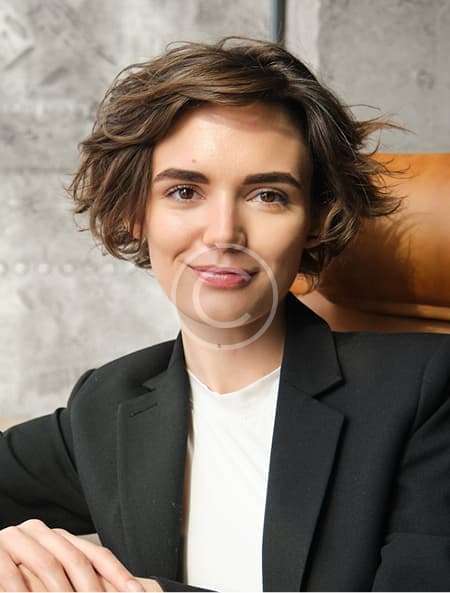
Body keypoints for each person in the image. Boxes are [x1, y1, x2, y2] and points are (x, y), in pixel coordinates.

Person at [1, 35, 449, 592]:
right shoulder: (108, 403)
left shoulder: (427, 389)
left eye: (268, 195)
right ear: (136, 213)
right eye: (185, 191)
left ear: (314, 220)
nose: (223, 234)